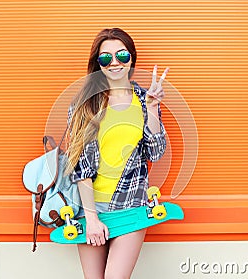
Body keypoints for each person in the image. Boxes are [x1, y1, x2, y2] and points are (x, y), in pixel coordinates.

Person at [65, 27, 169, 279]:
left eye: (121, 55)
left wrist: (154, 109)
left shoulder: (145, 100)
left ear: (131, 58)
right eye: (105, 57)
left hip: (130, 205)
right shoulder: (84, 104)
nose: (114, 63)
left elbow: (154, 153)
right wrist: (91, 218)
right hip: (89, 209)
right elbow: (80, 166)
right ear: (98, 64)